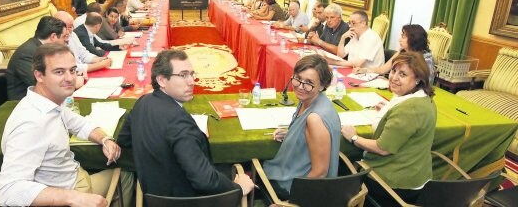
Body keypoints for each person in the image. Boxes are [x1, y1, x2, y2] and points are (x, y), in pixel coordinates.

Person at [0, 43, 133, 207]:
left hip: (73, 177)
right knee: (128, 172)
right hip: (68, 190)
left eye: (73, 70)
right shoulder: (32, 122)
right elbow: (8, 190)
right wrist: (75, 198)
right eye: (59, 72)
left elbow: (80, 124)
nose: (70, 78)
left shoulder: (49, 102)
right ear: (39, 75)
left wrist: (104, 139)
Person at [117, 50, 255, 197]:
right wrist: (238, 188)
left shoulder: (143, 102)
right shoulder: (179, 123)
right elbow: (205, 181)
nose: (191, 81)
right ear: (162, 80)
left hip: (153, 195)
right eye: (183, 75)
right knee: (232, 167)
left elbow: (123, 139)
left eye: (191, 74)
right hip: (187, 200)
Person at [341, 52, 436, 206]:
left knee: (341, 169)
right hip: (415, 174)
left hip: (395, 183)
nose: (394, 77)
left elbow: (382, 148)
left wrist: (353, 137)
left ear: (418, 79)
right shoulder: (423, 99)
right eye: (393, 71)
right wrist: (388, 111)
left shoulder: (408, 110)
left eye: (403, 74)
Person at [262, 54, 341, 200]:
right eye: (297, 79)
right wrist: (293, 134)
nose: (300, 86)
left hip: (293, 187)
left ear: (322, 86)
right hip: (294, 173)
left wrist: (292, 202)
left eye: (309, 82)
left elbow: (320, 173)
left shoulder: (315, 119)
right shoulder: (309, 98)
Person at [6, 16, 76, 100]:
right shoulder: (26, 54)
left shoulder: (45, 50)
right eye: (64, 37)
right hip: (25, 103)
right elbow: (41, 83)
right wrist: (74, 82)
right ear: (53, 37)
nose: (66, 41)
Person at [354, 24, 435, 84]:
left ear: (413, 39)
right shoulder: (402, 51)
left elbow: (425, 84)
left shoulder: (425, 58)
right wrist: (365, 70)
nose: (399, 40)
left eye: (403, 37)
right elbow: (383, 70)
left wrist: (393, 81)